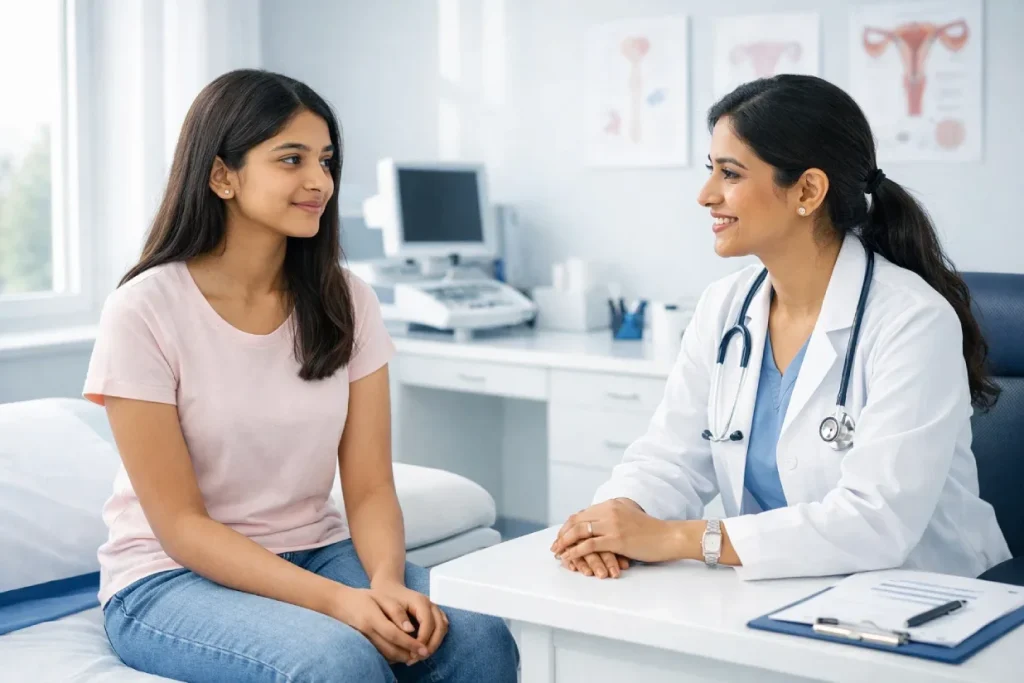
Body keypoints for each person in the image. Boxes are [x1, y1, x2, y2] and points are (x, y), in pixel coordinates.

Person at [83, 69, 518, 683]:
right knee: (337, 660)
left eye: (326, 160)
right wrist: (345, 605)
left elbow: (368, 487)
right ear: (221, 175)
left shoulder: (347, 299)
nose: (320, 181)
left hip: (318, 551)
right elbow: (180, 526)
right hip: (169, 577)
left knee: (477, 638)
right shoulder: (144, 310)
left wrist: (386, 583)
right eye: (291, 159)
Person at [550, 75, 1011, 582]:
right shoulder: (725, 308)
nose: (706, 195)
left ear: (808, 190)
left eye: (730, 174)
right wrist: (615, 522)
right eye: (712, 171)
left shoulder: (912, 321)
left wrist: (673, 538)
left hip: (925, 597)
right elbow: (670, 457)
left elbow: (875, 522)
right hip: (782, 593)